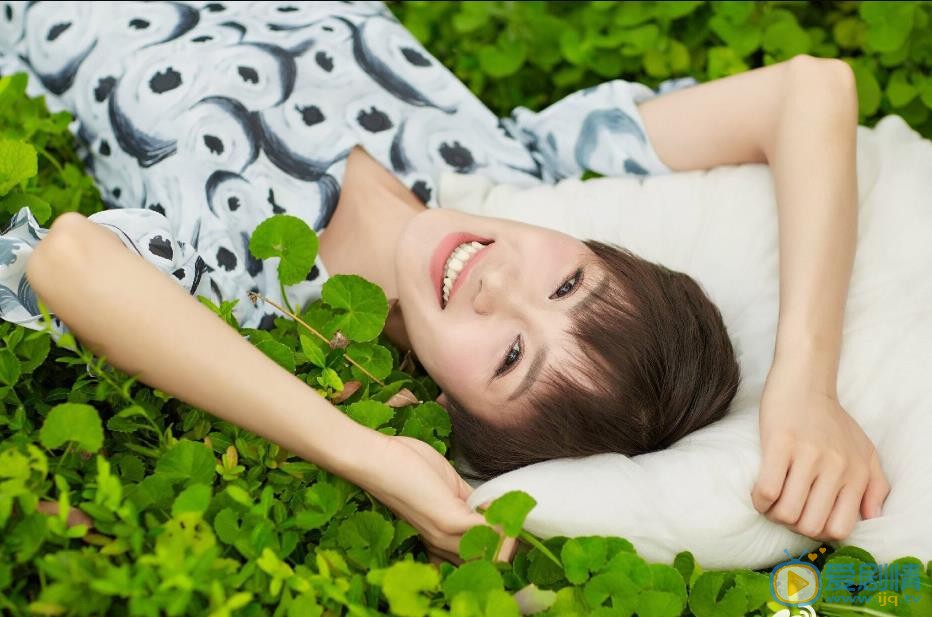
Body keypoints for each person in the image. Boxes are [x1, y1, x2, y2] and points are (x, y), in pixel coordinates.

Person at [0, 1, 888, 565]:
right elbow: (810, 90)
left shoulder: (257, 280)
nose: (500, 287)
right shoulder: (521, 157)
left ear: (457, 412)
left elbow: (69, 259)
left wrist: (362, 451)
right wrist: (803, 383)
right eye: (571, 283)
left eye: (510, 357)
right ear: (600, 241)